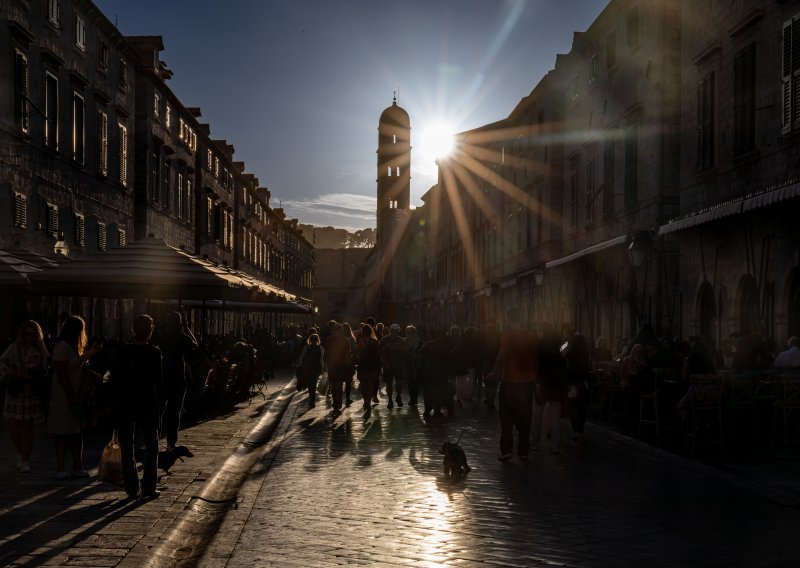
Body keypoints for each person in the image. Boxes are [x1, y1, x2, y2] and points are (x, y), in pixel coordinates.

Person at [111, 315, 163, 500]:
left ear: (133, 329)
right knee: (151, 445)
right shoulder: (154, 352)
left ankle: (132, 488)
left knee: (127, 446)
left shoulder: (122, 351)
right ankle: (148, 487)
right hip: (147, 402)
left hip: (126, 402)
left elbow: (115, 378)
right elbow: (158, 380)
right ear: (150, 331)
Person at [49, 315, 100, 479]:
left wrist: (90, 353)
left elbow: (75, 362)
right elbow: (61, 372)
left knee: (76, 431)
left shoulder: (70, 347)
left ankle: (77, 466)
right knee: (63, 432)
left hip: (74, 393)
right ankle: (61, 468)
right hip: (64, 395)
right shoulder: (62, 346)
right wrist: (70, 394)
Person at [0, 321, 49, 472]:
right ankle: (19, 452)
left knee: (28, 427)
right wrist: (12, 372)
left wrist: (42, 348)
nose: (30, 338)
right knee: (12, 424)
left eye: (34, 335)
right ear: (22, 334)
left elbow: (47, 368)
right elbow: (2, 362)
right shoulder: (14, 348)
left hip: (30, 392)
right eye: (27, 334)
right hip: (15, 391)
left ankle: (25, 460)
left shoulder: (40, 350)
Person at [489, 312, 538, 461]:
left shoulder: (507, 336)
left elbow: (502, 355)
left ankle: (507, 450)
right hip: (528, 383)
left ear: (509, 320)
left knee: (506, 417)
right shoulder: (531, 336)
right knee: (525, 418)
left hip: (510, 382)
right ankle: (523, 451)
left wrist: (494, 373)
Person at [157, 312, 197, 451]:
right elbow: (195, 346)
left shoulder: (161, 336)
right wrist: (187, 328)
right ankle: (170, 443)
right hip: (178, 378)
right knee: (174, 413)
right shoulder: (183, 338)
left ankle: (154, 440)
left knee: (159, 411)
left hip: (162, 378)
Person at [535, 323, 566, 453]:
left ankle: (535, 442)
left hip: (544, 383)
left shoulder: (540, 344)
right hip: (557, 383)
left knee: (538, 414)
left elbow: (538, 364)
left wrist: (537, 381)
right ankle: (555, 444)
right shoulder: (562, 344)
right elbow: (565, 359)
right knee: (555, 416)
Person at [564, 333, 592, 442]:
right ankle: (580, 430)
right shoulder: (586, 353)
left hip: (573, 383)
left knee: (573, 407)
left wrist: (566, 343)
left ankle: (576, 430)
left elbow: (561, 353)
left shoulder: (569, 353)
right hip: (583, 382)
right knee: (582, 408)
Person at [323, 322, 353, 414]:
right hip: (341, 365)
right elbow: (348, 354)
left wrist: (325, 365)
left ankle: (335, 401)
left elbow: (326, 354)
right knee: (339, 384)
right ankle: (338, 401)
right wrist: (349, 366)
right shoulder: (345, 340)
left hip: (332, 365)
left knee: (333, 384)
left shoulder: (329, 340)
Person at [380, 323, 407, 408]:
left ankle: (398, 396)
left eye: (396, 331)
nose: (395, 332)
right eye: (393, 331)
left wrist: (399, 348)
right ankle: (390, 400)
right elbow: (381, 352)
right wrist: (385, 362)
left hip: (399, 365)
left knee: (399, 383)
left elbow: (406, 352)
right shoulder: (384, 340)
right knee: (389, 383)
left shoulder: (401, 340)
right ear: (390, 331)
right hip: (388, 365)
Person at [356, 324, 381, 414]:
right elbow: (378, 354)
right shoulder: (375, 341)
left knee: (363, 384)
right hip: (373, 365)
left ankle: (365, 401)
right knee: (370, 383)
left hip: (363, 365)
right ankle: (368, 401)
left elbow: (357, 353)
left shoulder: (360, 341)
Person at [298, 333, 324, 408]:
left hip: (309, 368)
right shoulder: (321, 348)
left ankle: (311, 400)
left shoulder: (306, 347)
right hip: (316, 369)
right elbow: (321, 359)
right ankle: (312, 399)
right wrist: (323, 368)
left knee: (310, 384)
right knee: (313, 383)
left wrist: (300, 366)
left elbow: (302, 357)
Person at [479, 322, 501, 408]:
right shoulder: (499, 336)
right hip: (495, 361)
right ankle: (491, 399)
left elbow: (480, 348)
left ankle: (488, 398)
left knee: (487, 380)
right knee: (495, 381)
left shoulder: (483, 336)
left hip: (485, 361)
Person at [403, 325, 424, 406]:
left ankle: (414, 399)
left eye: (411, 332)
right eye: (407, 332)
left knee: (416, 383)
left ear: (414, 332)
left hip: (417, 365)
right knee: (410, 383)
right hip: (407, 365)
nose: (409, 334)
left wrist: (416, 356)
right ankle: (412, 399)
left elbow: (423, 352)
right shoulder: (404, 341)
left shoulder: (419, 341)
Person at [342, 323, 358, 406]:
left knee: (340, 381)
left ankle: (339, 399)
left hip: (340, 362)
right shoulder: (351, 338)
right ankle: (347, 398)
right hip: (348, 362)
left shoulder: (340, 338)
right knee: (348, 381)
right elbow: (355, 349)